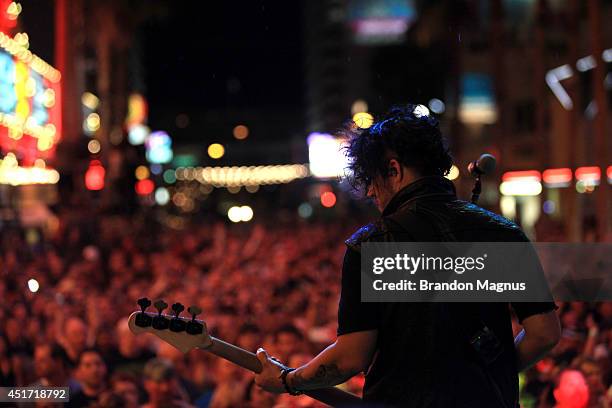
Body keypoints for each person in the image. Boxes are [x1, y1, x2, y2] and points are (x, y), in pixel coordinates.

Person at [254, 104, 561, 407]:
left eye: (372, 181)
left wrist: (288, 380)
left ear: (394, 170)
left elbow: (350, 357)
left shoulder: (372, 245)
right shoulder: (504, 233)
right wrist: (486, 372)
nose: (372, 193)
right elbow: (544, 333)